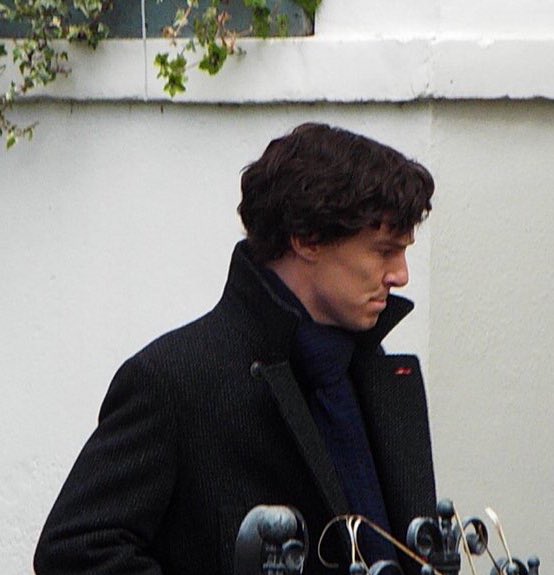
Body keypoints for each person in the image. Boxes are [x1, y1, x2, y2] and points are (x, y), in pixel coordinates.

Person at [34, 123, 437, 575]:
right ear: (307, 238)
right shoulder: (174, 378)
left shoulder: (376, 372)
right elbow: (76, 551)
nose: (401, 275)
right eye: (383, 251)